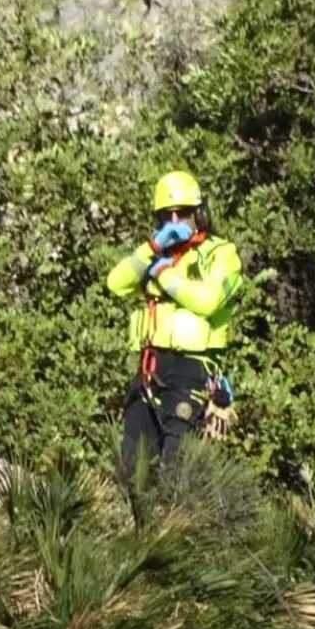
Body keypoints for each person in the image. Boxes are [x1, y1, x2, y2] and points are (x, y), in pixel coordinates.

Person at [105, 170, 243, 481]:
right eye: (167, 215)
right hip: (150, 368)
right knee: (133, 467)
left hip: (191, 371)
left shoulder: (222, 254)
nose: (175, 220)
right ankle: (143, 527)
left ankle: (181, 526)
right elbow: (116, 282)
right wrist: (152, 249)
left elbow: (208, 301)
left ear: (200, 213)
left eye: (182, 213)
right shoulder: (156, 252)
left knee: (176, 468)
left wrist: (165, 275)